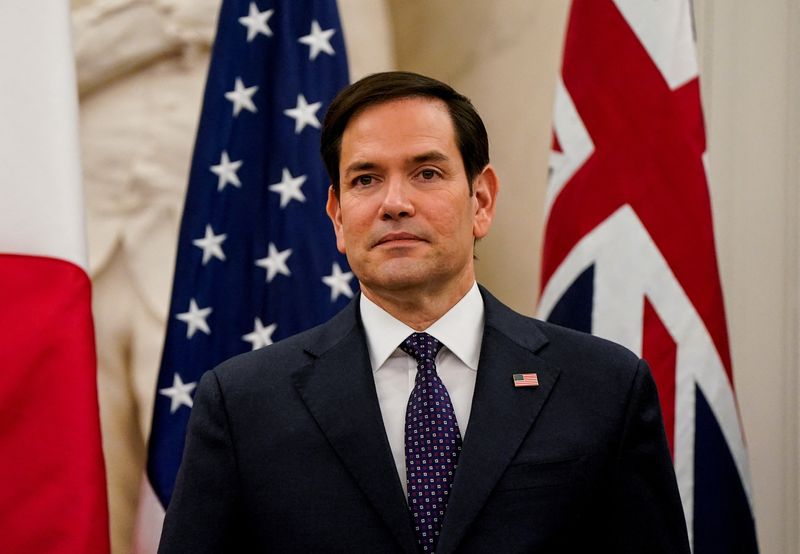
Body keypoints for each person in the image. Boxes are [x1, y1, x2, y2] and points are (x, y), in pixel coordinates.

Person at [159, 71, 690, 553]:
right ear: (338, 217)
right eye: (365, 179)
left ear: (481, 200)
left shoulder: (603, 387)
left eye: (427, 173)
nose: (395, 203)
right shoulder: (243, 404)